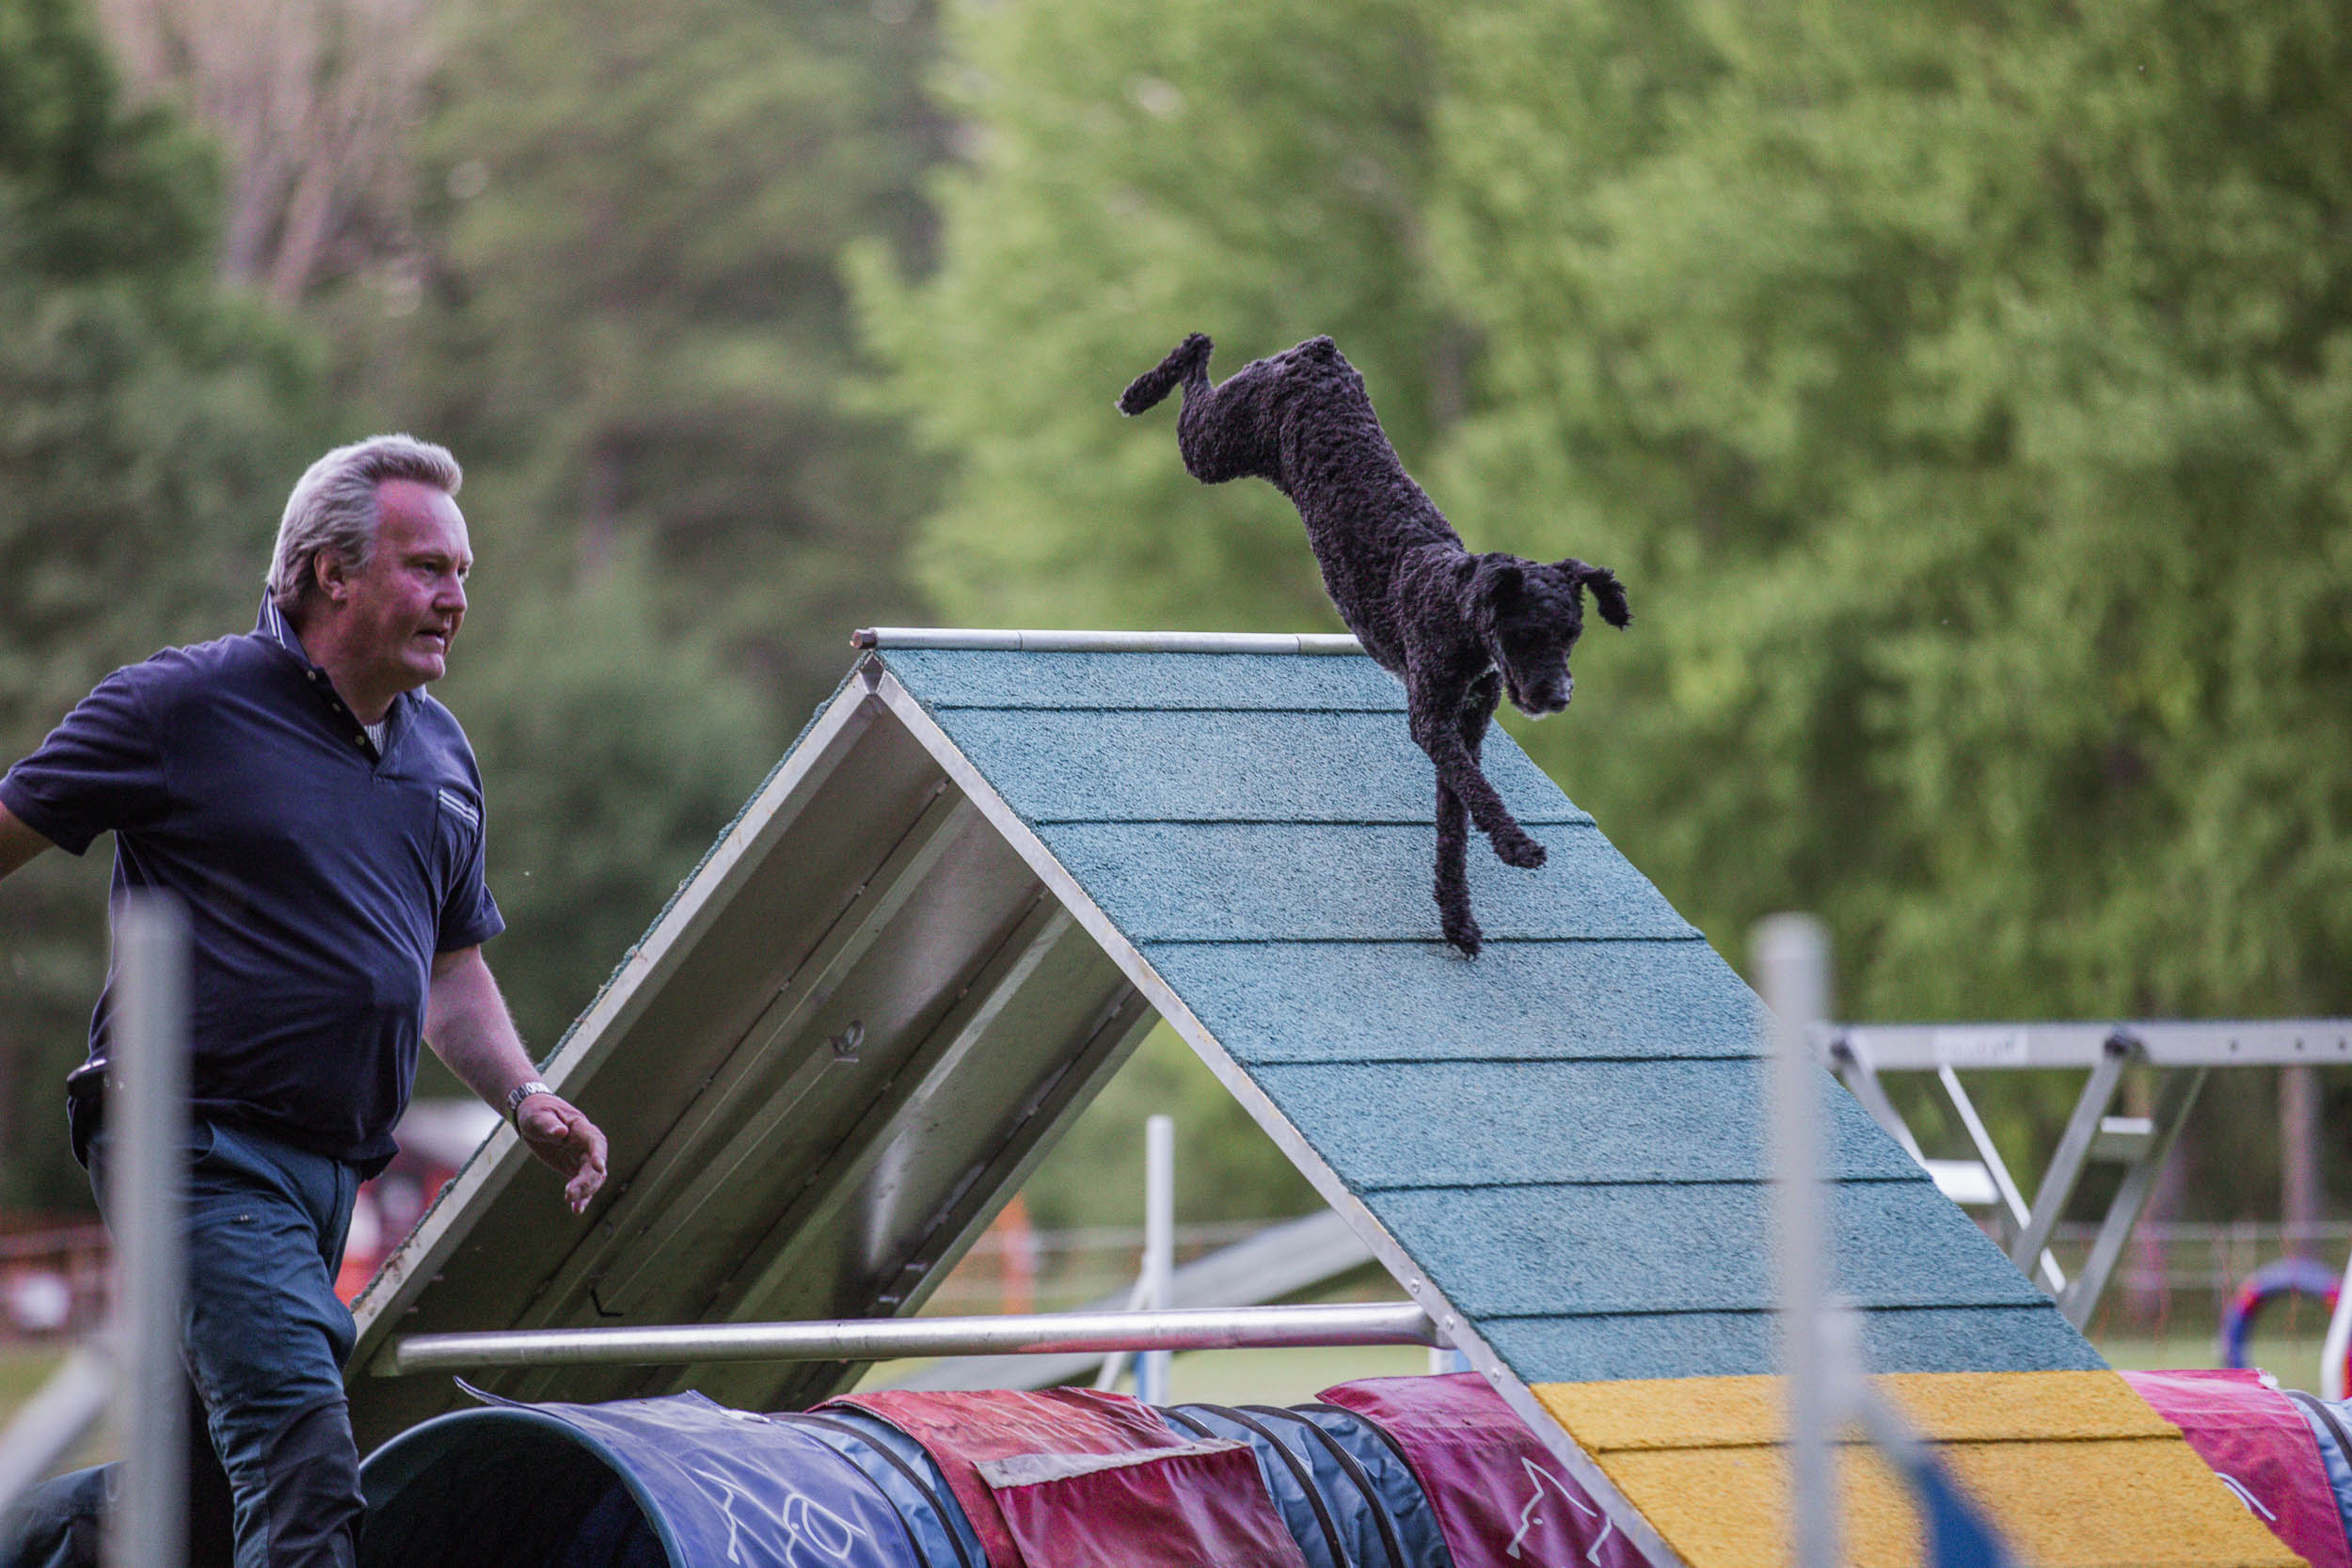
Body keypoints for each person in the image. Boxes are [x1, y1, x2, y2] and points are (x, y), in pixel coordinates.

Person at [0, 435, 610, 1568]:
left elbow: (448, 970)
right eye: (428, 566)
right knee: (303, 1465)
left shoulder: (442, 756)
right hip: (190, 1142)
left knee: (183, 1511)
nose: (455, 598)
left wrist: (523, 1094)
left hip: (333, 1173)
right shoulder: (183, 705)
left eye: (463, 574)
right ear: (334, 571)